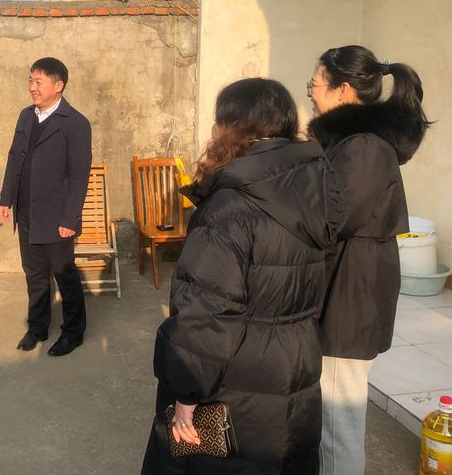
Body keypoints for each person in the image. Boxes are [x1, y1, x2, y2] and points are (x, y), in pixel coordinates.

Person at [142, 78, 348, 475]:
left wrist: (186, 393)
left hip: (239, 379)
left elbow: (206, 311)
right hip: (296, 367)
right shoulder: (314, 189)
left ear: (232, 127)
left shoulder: (231, 205)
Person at [307, 45, 430, 475]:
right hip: (349, 287)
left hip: (350, 298)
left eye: (314, 84)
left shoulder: (363, 148)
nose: (311, 94)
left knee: (337, 423)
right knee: (327, 417)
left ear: (342, 90)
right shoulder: (355, 143)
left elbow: (329, 218)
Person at [0, 57, 92, 357]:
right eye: (30, 80)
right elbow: (14, 158)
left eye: (39, 81)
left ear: (58, 85)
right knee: (34, 273)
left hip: (56, 216)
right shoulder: (26, 116)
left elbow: (79, 175)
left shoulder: (75, 123)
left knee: (64, 275)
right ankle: (37, 327)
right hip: (27, 212)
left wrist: (70, 218)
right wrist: (6, 197)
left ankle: (73, 332)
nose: (32, 87)